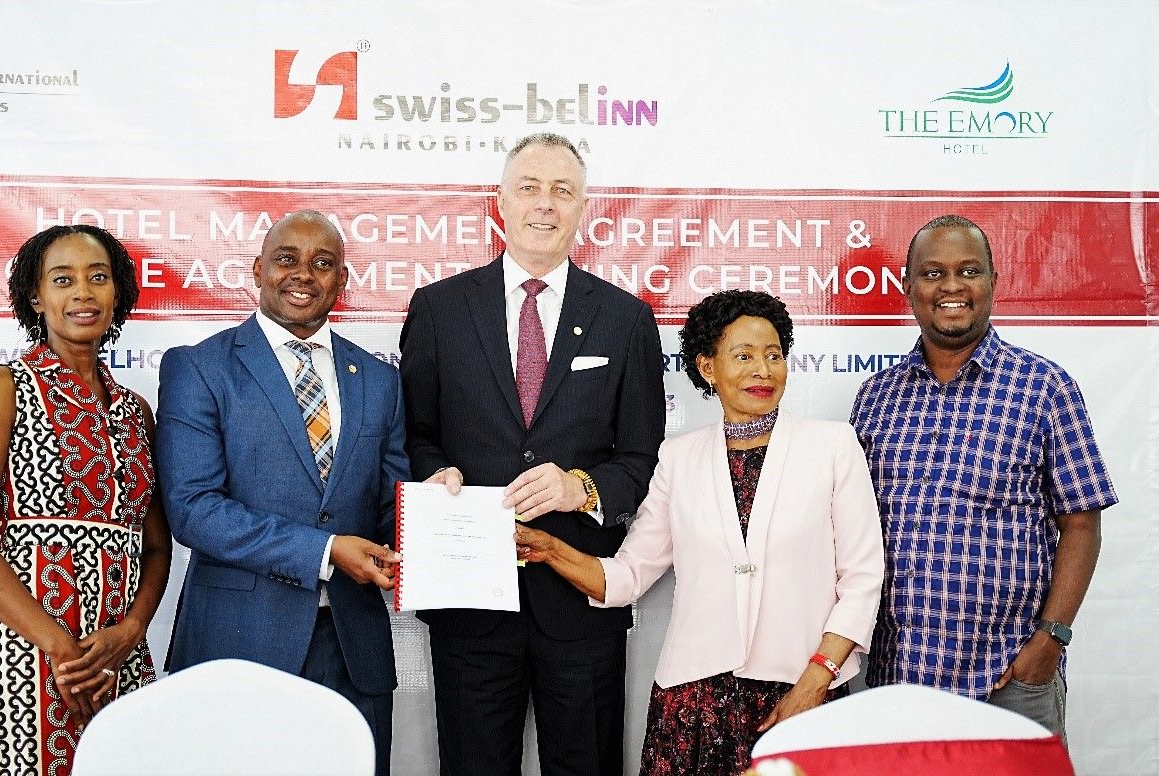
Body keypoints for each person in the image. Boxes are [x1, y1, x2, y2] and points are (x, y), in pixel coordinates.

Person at [515, 290, 885, 776]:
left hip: (802, 694)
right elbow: (627, 577)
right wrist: (549, 549)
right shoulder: (677, 457)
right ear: (708, 367)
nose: (763, 370)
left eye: (774, 355)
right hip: (693, 707)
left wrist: (816, 682)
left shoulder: (833, 446)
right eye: (744, 356)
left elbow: (862, 579)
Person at [399, 132, 666, 776]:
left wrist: (584, 488)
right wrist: (435, 473)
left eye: (562, 190)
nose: (544, 203)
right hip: (468, 598)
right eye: (529, 187)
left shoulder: (626, 319)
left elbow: (642, 456)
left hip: (580, 598)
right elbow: (412, 434)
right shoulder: (439, 309)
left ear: (583, 209)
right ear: (500, 201)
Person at [157, 210, 406, 776]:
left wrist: (437, 513)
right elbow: (194, 510)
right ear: (258, 269)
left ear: (342, 280)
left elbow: (391, 507)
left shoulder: (380, 380)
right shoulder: (200, 367)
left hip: (352, 648)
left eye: (323, 263)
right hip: (238, 642)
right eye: (287, 259)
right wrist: (325, 551)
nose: (304, 275)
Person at [850, 214, 1118, 741]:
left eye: (968, 271)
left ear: (993, 282)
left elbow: (1082, 525)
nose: (951, 287)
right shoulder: (875, 398)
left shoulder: (1045, 387)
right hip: (899, 678)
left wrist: (1050, 641)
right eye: (933, 273)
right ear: (908, 287)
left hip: (1009, 678)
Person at [0, 225, 172, 776]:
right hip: (16, 661)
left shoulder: (136, 412)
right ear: (36, 297)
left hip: (114, 663)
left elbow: (157, 547)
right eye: (63, 280)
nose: (83, 292)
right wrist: (64, 653)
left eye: (98, 278)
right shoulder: (2, 389)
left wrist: (132, 631)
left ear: (118, 292)